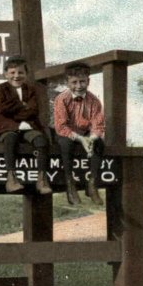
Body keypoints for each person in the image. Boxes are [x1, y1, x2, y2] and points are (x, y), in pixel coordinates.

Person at [0, 55, 52, 195]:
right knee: (11, 138)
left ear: (26, 74)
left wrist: (18, 110)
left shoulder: (30, 90)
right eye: (12, 73)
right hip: (6, 126)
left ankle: (42, 179)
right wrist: (22, 105)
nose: (16, 76)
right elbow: (2, 109)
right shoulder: (0, 89)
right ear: (6, 74)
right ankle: (11, 178)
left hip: (27, 126)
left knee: (40, 140)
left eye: (20, 72)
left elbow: (33, 110)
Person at [53, 62, 105, 205]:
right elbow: (61, 126)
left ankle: (92, 184)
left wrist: (92, 138)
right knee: (66, 145)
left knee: (99, 144)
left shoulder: (94, 100)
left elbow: (97, 124)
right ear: (67, 82)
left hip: (85, 132)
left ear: (88, 81)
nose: (79, 85)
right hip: (67, 133)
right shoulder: (61, 99)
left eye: (82, 81)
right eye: (74, 82)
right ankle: (70, 186)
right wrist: (81, 139)